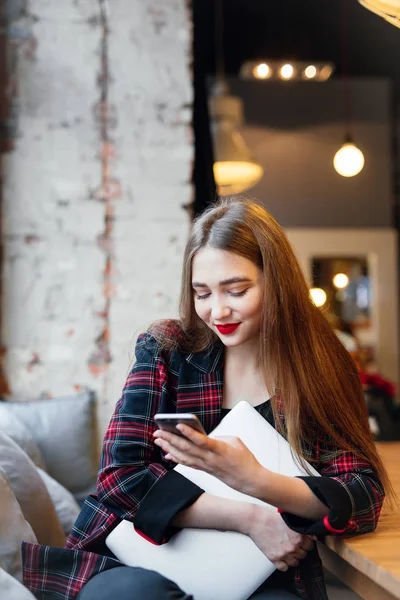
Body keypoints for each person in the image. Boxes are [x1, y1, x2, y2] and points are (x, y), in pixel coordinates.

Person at [22, 197, 391, 600]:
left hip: (259, 569)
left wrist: (256, 480)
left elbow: (362, 493)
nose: (218, 311)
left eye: (237, 290)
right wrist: (249, 518)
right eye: (202, 293)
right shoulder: (167, 349)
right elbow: (119, 480)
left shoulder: (319, 365)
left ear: (278, 282)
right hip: (136, 557)